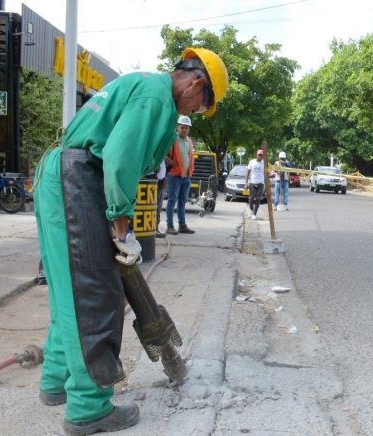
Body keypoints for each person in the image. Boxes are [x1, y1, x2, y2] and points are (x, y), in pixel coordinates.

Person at [33, 48, 228, 435]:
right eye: (203, 106)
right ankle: (88, 408)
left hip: (61, 175)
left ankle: (56, 381)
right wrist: (124, 231)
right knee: (94, 295)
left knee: (67, 290)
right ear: (197, 82)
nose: (197, 112)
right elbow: (120, 160)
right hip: (77, 178)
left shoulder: (144, 84)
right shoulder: (157, 97)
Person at [164, 115, 195, 235]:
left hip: (186, 176)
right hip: (174, 175)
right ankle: (169, 226)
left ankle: (182, 225)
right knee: (172, 201)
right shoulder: (172, 139)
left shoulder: (189, 141)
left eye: (187, 128)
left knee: (182, 202)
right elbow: (163, 153)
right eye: (182, 127)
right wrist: (171, 162)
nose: (185, 130)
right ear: (178, 127)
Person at [245, 149, 266, 220]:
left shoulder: (264, 163)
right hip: (252, 183)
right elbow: (248, 172)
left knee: (258, 199)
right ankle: (251, 209)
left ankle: (254, 213)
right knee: (251, 198)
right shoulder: (252, 162)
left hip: (261, 183)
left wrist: (266, 184)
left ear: (263, 156)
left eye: (261, 155)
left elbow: (266, 173)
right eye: (259, 155)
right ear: (256, 155)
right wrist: (246, 183)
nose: (260, 156)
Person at [155, 160, 167, 238]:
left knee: (158, 206)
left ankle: (156, 228)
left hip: (160, 179)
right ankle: (154, 229)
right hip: (155, 179)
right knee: (155, 206)